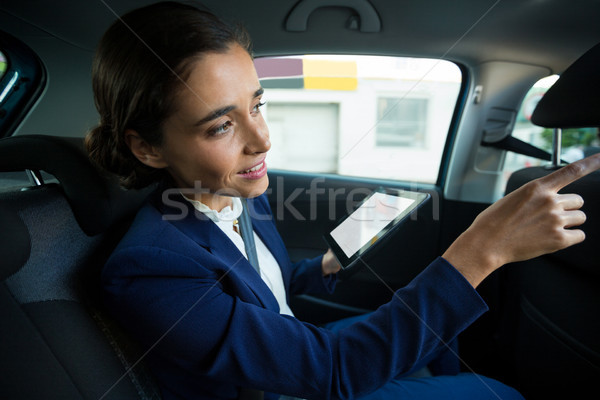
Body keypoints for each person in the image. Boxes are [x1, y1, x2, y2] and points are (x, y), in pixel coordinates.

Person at [86, 2, 600, 399]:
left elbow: (267, 291)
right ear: (147, 147)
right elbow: (331, 370)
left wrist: (324, 265)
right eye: (221, 125)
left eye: (257, 105)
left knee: (446, 341)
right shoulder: (150, 268)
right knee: (502, 394)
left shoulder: (235, 196)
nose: (262, 140)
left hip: (296, 352)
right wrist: (484, 247)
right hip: (283, 386)